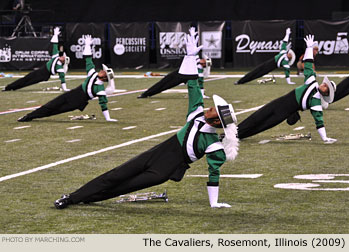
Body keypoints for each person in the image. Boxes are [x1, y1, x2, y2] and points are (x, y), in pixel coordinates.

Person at [54, 29, 239, 209]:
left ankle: (83, 198)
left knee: (123, 187)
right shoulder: (196, 114)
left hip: (163, 170)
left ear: (217, 122)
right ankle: (72, 197)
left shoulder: (213, 144)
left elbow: (214, 173)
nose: (209, 107)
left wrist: (214, 203)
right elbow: (193, 85)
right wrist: (189, 57)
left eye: (213, 110)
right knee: (114, 176)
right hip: (155, 153)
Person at [237, 35, 337, 144]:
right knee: (256, 117)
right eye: (325, 84)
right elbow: (308, 63)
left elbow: (319, 121)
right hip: (279, 102)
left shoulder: (316, 103)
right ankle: (233, 133)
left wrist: (325, 138)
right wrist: (309, 48)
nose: (324, 85)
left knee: (262, 126)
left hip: (283, 114)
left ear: (326, 93)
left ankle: (239, 136)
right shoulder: (312, 82)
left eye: (326, 87)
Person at [17, 35, 117, 122]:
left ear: (104, 78)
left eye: (104, 72)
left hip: (76, 102)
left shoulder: (100, 89)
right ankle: (28, 117)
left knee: (54, 110)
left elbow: (103, 104)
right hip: (72, 94)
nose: (101, 71)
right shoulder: (93, 74)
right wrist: (87, 45)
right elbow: (88, 58)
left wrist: (108, 118)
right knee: (51, 105)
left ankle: (31, 116)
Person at [3, 27, 70, 92]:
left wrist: (65, 88)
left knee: (28, 82)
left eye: (64, 58)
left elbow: (62, 79)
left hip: (44, 75)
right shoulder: (56, 56)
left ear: (64, 61)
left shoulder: (59, 67)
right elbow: (55, 44)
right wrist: (55, 35)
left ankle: (11, 88)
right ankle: (9, 87)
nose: (62, 56)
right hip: (41, 70)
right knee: (26, 78)